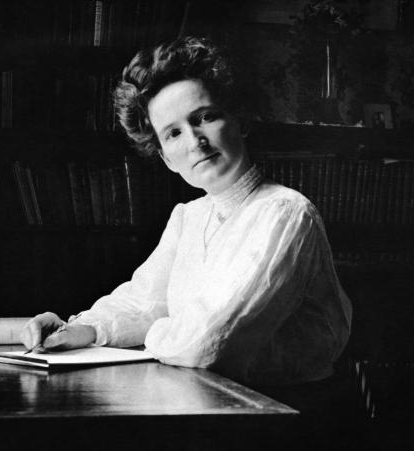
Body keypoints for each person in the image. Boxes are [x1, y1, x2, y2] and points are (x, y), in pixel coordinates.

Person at [21, 36, 352, 387]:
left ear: (240, 122)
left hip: (286, 405)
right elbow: (145, 301)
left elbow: (209, 344)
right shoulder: (189, 217)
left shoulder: (285, 213)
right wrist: (80, 329)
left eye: (205, 117)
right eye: (174, 133)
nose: (195, 142)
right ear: (166, 158)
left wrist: (156, 329)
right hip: (206, 395)